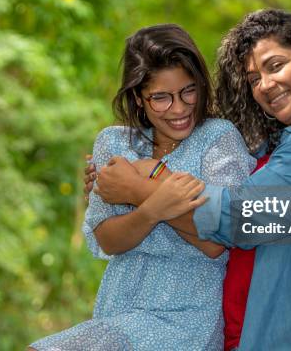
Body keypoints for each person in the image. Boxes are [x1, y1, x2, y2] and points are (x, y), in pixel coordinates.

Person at [86, 9, 291, 350]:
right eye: (254, 79)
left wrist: (139, 186)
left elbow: (240, 216)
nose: (266, 85)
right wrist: (106, 180)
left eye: (276, 65)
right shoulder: (286, 140)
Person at [29, 24, 255, 351]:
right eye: (161, 98)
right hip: (117, 305)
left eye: (188, 91)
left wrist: (138, 189)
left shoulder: (218, 139)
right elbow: (108, 238)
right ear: (139, 97)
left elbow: (216, 242)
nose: (179, 109)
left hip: (186, 317)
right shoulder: (114, 142)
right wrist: (154, 210)